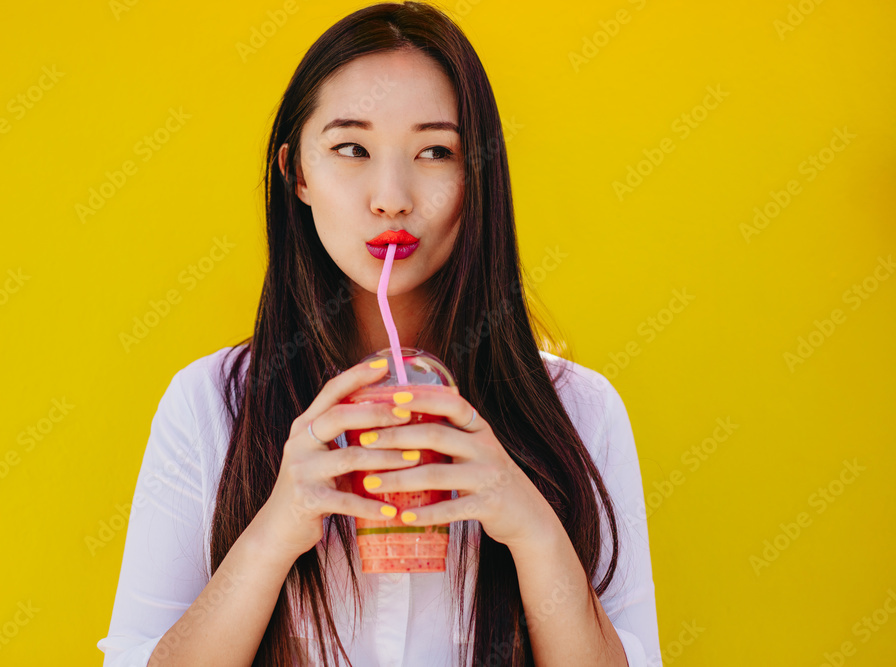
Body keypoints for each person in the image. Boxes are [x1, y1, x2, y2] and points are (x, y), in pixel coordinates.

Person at [97, 2, 661, 665]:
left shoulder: (581, 411)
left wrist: (529, 524)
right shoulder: (208, 407)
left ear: (477, 174)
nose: (391, 196)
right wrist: (277, 527)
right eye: (351, 148)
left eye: (435, 151)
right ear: (296, 173)